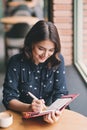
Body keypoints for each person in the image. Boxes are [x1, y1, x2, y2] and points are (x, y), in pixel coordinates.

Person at [2, 20, 69, 124]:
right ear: (31, 43)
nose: (45, 55)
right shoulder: (16, 62)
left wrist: (56, 112)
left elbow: (60, 93)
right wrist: (29, 107)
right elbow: (9, 98)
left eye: (51, 50)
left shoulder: (57, 60)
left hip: (48, 114)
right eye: (41, 49)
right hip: (21, 116)